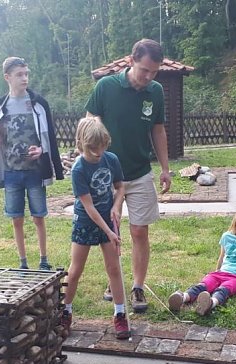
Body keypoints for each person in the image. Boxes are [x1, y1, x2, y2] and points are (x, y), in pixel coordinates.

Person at [85, 38, 171, 314]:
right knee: (112, 230)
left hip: (140, 172)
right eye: (145, 69)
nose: (149, 76)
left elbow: (158, 130)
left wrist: (165, 168)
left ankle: (137, 286)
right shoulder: (106, 87)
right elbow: (90, 123)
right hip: (107, 175)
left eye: (154, 71)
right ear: (131, 61)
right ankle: (114, 280)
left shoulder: (155, 92)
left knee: (139, 231)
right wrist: (92, 159)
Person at [0, 57, 64, 270]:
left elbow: (49, 137)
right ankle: (23, 262)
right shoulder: (1, 106)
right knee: (16, 218)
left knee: (38, 217)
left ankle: (43, 260)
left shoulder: (38, 103)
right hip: (12, 172)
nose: (24, 78)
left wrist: (42, 151)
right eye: (19, 74)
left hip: (35, 172)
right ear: (7, 77)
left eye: (26, 74)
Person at [61, 117, 130, 339]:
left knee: (113, 268)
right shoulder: (79, 169)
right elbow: (89, 207)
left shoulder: (111, 160)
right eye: (93, 149)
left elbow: (120, 187)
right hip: (86, 220)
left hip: (109, 219)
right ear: (81, 143)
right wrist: (109, 231)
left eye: (102, 147)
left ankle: (120, 315)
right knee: (76, 269)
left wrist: (117, 206)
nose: (99, 153)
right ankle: (65, 311)